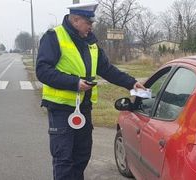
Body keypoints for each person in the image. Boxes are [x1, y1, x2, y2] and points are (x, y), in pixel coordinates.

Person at [35, 1, 145, 180]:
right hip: (61, 109)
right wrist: (74, 83)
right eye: (89, 23)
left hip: (84, 109)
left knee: (81, 157)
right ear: (76, 20)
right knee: (64, 159)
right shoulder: (54, 36)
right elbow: (43, 70)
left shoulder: (91, 43)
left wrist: (131, 83)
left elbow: (107, 69)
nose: (91, 27)